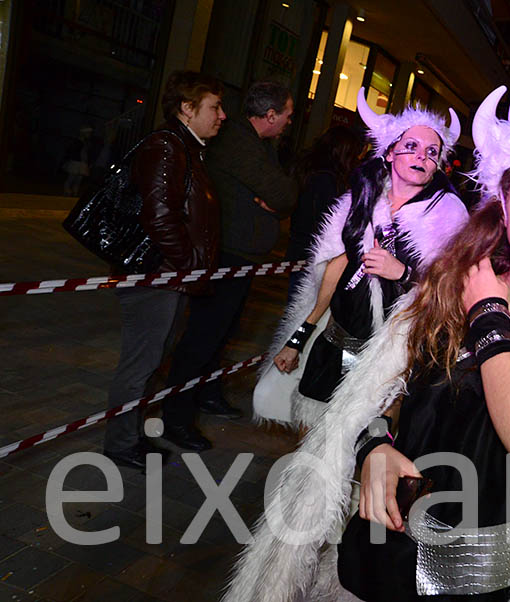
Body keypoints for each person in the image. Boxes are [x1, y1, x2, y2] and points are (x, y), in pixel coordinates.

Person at [224, 85, 510, 602]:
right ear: (502, 200)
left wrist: (488, 315)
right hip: (380, 553)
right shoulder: (444, 285)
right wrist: (373, 448)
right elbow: (385, 393)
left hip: (477, 576)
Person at [253, 88, 469, 427]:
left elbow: (453, 293)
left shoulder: (446, 217)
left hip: (389, 360)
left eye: (432, 152)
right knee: (311, 434)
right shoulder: (360, 204)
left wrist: (403, 273)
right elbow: (334, 271)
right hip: (335, 342)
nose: (421, 157)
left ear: (437, 166)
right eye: (410, 146)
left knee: (368, 441)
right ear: (390, 153)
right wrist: (298, 339)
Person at [160, 81, 298, 450]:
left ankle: (205, 394)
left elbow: (284, 195)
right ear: (270, 115)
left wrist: (278, 201)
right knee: (202, 336)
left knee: (221, 334)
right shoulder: (238, 143)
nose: (288, 122)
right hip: (227, 256)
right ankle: (176, 417)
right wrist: (277, 201)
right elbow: (285, 193)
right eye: (286, 115)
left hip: (242, 257)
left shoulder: (259, 146)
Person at [102, 71, 224, 469]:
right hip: (157, 275)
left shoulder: (188, 148)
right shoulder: (169, 147)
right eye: (214, 107)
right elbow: (158, 215)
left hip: (168, 275)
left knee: (151, 362)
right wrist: (189, 265)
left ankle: (129, 437)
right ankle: (120, 445)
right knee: (140, 364)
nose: (221, 115)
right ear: (187, 109)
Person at [285, 125, 365, 303]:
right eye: (354, 154)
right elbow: (325, 222)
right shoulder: (326, 181)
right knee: (304, 309)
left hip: (300, 250)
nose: (357, 159)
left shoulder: (310, 171)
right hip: (313, 256)